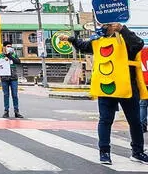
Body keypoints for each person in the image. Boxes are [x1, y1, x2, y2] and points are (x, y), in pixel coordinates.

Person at [60, 23, 148, 164]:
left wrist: (122, 29)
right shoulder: (98, 41)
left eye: (110, 24)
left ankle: (137, 152)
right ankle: (104, 152)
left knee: (135, 121)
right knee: (106, 120)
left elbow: (138, 43)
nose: (108, 27)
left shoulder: (126, 39)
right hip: (106, 87)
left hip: (127, 87)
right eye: (105, 24)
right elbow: (83, 46)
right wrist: (70, 39)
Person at [0, 41, 23, 118]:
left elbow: (18, 62)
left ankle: (16, 111)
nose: (9, 47)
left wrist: (10, 56)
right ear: (4, 47)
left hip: (13, 77)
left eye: (10, 46)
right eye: (8, 46)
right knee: (6, 95)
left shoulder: (14, 54)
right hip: (4, 78)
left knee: (15, 95)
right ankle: (6, 111)